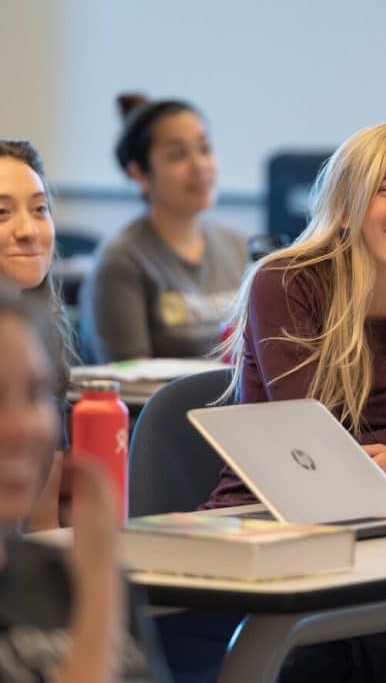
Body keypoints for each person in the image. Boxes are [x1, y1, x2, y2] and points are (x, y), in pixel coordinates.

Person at [201, 119, 386, 682]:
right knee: (359, 657)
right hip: (271, 527)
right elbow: (317, 451)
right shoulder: (286, 282)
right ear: (345, 204)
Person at [0, 287, 167, 682]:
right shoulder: (93, 577)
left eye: (35, 393)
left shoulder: (66, 571)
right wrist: (98, 596)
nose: (24, 426)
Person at [79, 93, 248, 362]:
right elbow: (130, 379)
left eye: (205, 149)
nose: (200, 166)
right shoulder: (121, 261)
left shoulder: (238, 246)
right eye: (178, 155)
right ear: (140, 174)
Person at [0, 139, 76, 531]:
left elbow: (42, 526)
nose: (28, 231)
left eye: (39, 209)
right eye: (1, 213)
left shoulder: (43, 342)